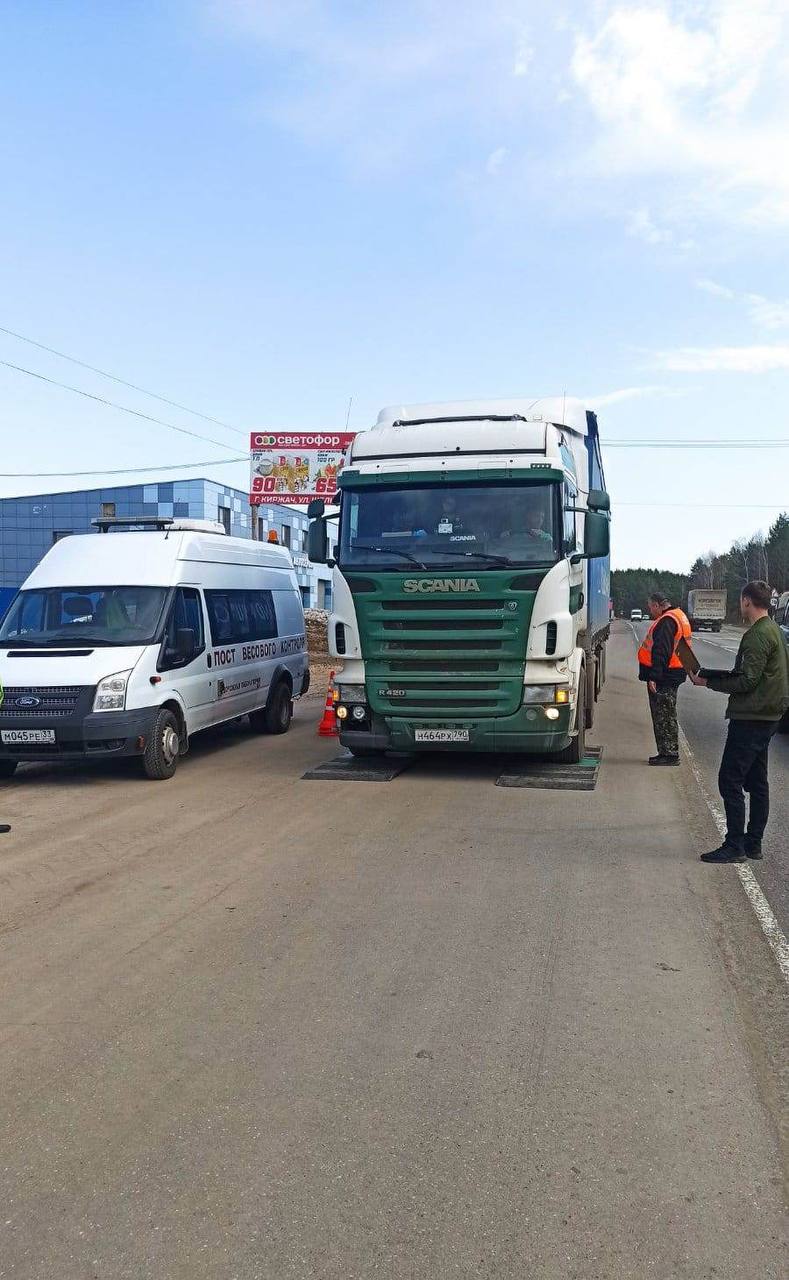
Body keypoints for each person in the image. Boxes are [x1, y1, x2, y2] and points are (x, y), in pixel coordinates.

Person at [689, 580, 789, 863]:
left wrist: (708, 681)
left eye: (740, 601)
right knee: (757, 781)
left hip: (751, 717)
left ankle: (734, 845)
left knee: (729, 779)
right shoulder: (777, 632)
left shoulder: (757, 634)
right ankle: (753, 843)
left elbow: (747, 680)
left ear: (746, 601)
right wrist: (714, 675)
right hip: (768, 716)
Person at [637, 592, 692, 765]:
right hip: (674, 673)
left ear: (657, 605)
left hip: (664, 677)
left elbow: (661, 651)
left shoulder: (667, 621)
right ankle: (668, 752)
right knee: (667, 712)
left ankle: (669, 754)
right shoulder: (679, 616)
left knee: (663, 715)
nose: (650, 611)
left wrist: (654, 677)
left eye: (650, 606)